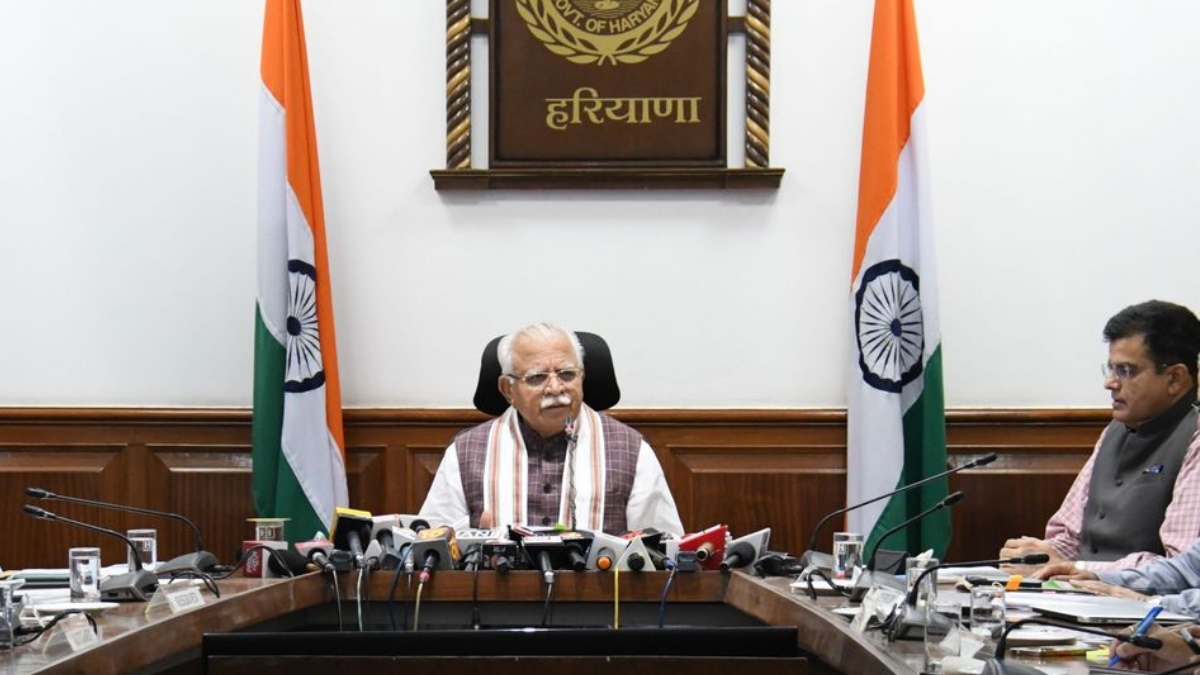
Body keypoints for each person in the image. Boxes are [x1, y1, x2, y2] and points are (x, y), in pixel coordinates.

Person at [419, 322, 684, 536]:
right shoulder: (466, 453)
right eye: (537, 377)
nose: (556, 388)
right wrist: (474, 543)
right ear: (508, 389)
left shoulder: (631, 450)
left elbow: (664, 549)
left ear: (582, 377)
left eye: (567, 374)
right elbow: (430, 545)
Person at [1001, 300, 1200, 573]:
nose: (1110, 383)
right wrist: (1038, 556)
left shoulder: (1194, 438)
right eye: (1111, 369)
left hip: (1146, 598)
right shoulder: (1114, 431)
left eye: (1126, 371)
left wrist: (1078, 567)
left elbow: (1182, 567)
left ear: (1175, 378)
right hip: (1084, 591)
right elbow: (1069, 537)